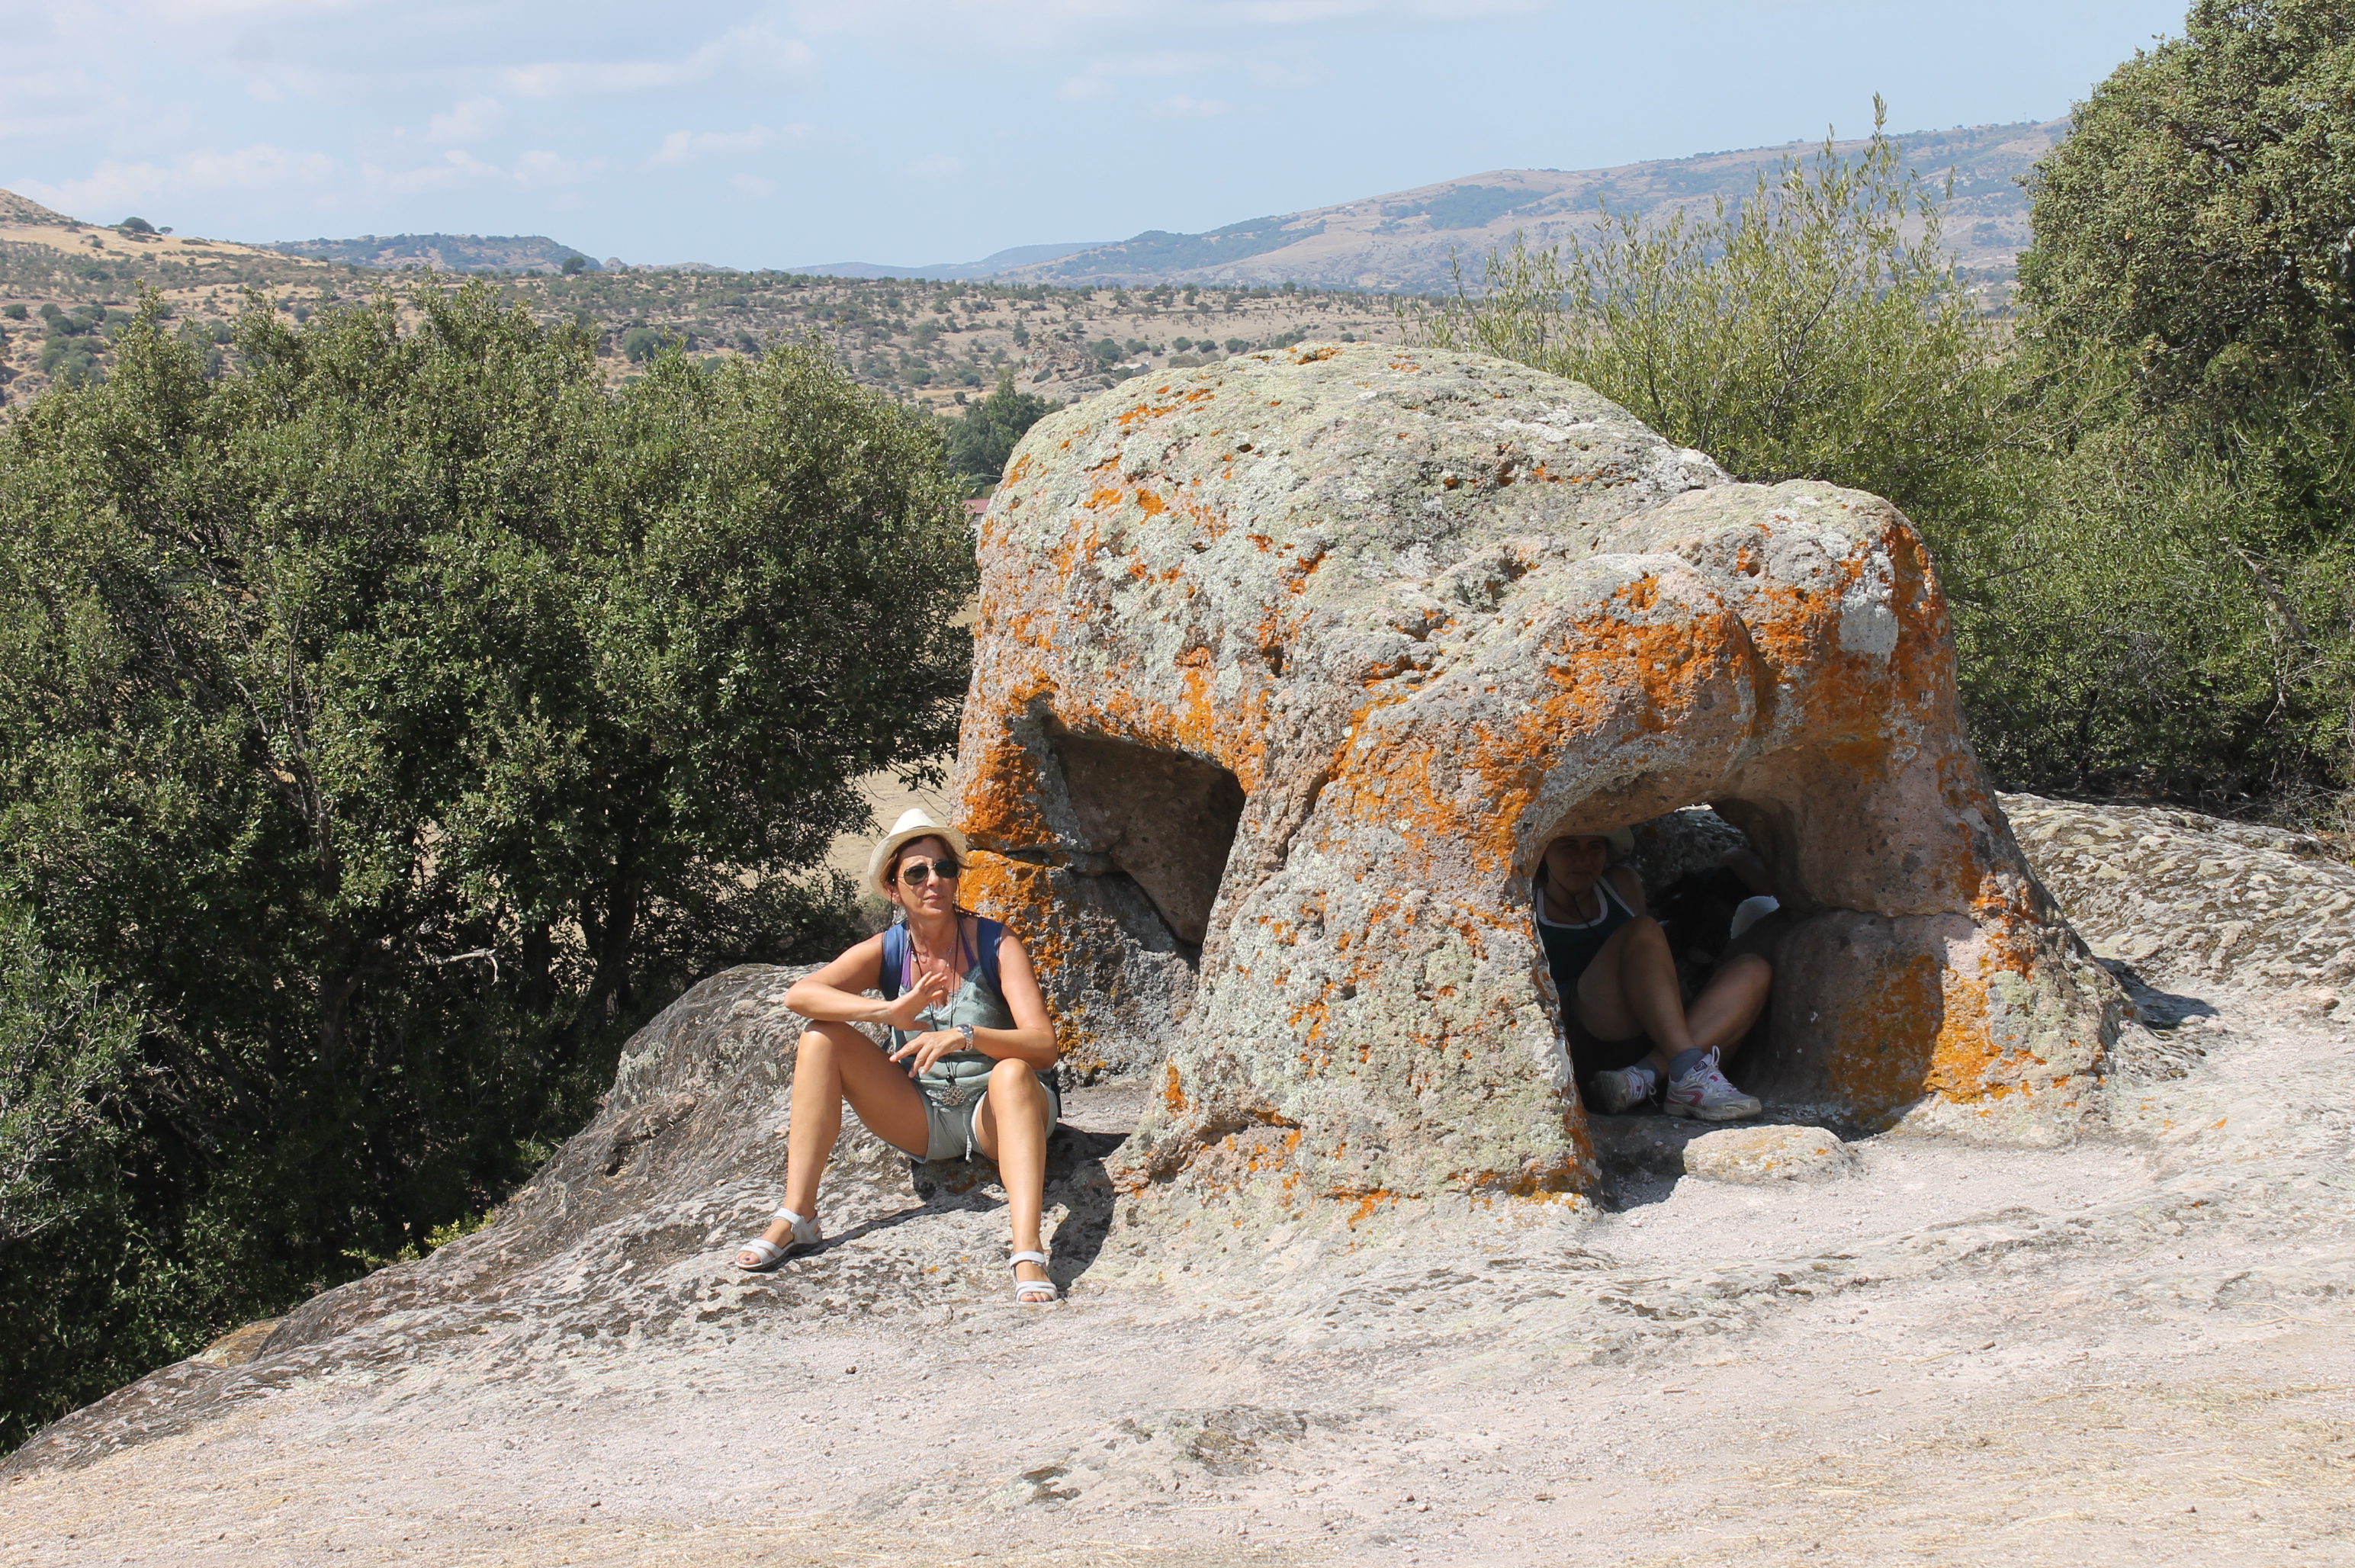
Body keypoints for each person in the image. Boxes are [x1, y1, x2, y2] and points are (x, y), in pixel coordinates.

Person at [734, 808, 1063, 1304]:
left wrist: (966, 1036)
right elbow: (800, 996)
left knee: (1014, 1072)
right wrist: (888, 1010)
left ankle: (1027, 1250)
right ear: (893, 889)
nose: (934, 881)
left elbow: (1044, 1046)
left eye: (944, 868)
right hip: (924, 1118)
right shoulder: (889, 949)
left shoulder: (996, 942)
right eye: (917, 872)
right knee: (820, 1038)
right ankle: (798, 1215)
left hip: (1000, 1113)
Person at [1534, 828, 1769, 1121]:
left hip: (1653, 1034)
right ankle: (1684, 1069)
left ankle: (1646, 1076)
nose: (1583, 859)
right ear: (1543, 853)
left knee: (1753, 969)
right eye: (1569, 847)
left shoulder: (1622, 884)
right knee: (1643, 930)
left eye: (1595, 847)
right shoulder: (1526, 901)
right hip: (1585, 1030)